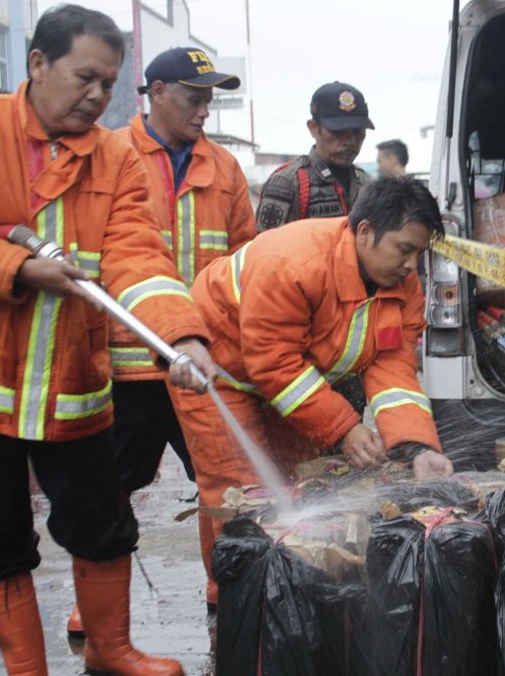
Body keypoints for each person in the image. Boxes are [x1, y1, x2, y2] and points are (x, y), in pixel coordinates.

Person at [0, 4, 218, 676]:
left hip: (75, 389)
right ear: (36, 63)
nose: (98, 96)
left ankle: (112, 649)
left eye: (109, 83)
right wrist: (13, 267)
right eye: (85, 77)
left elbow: (138, 254)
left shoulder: (114, 156)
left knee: (104, 526)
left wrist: (183, 335)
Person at [51, 48, 258, 640]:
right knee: (108, 485)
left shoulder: (224, 168)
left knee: (225, 481)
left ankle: (227, 582)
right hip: (126, 361)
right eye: (194, 98)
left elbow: (245, 260)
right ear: (157, 92)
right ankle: (93, 602)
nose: (204, 111)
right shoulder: (107, 155)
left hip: (201, 360)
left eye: (210, 99)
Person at [170, 178, 452, 609]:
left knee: (291, 485)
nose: (412, 266)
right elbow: (273, 363)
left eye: (420, 254)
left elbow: (393, 367)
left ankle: (283, 590)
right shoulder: (293, 262)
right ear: (364, 232)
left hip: (290, 380)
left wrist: (415, 447)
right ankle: (231, 598)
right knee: (242, 492)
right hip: (217, 375)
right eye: (404, 249)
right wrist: (344, 430)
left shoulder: (402, 285)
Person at [255, 81, 375, 231]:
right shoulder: (288, 182)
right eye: (338, 131)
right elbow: (266, 248)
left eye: (357, 132)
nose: (350, 141)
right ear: (313, 128)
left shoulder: (368, 185)